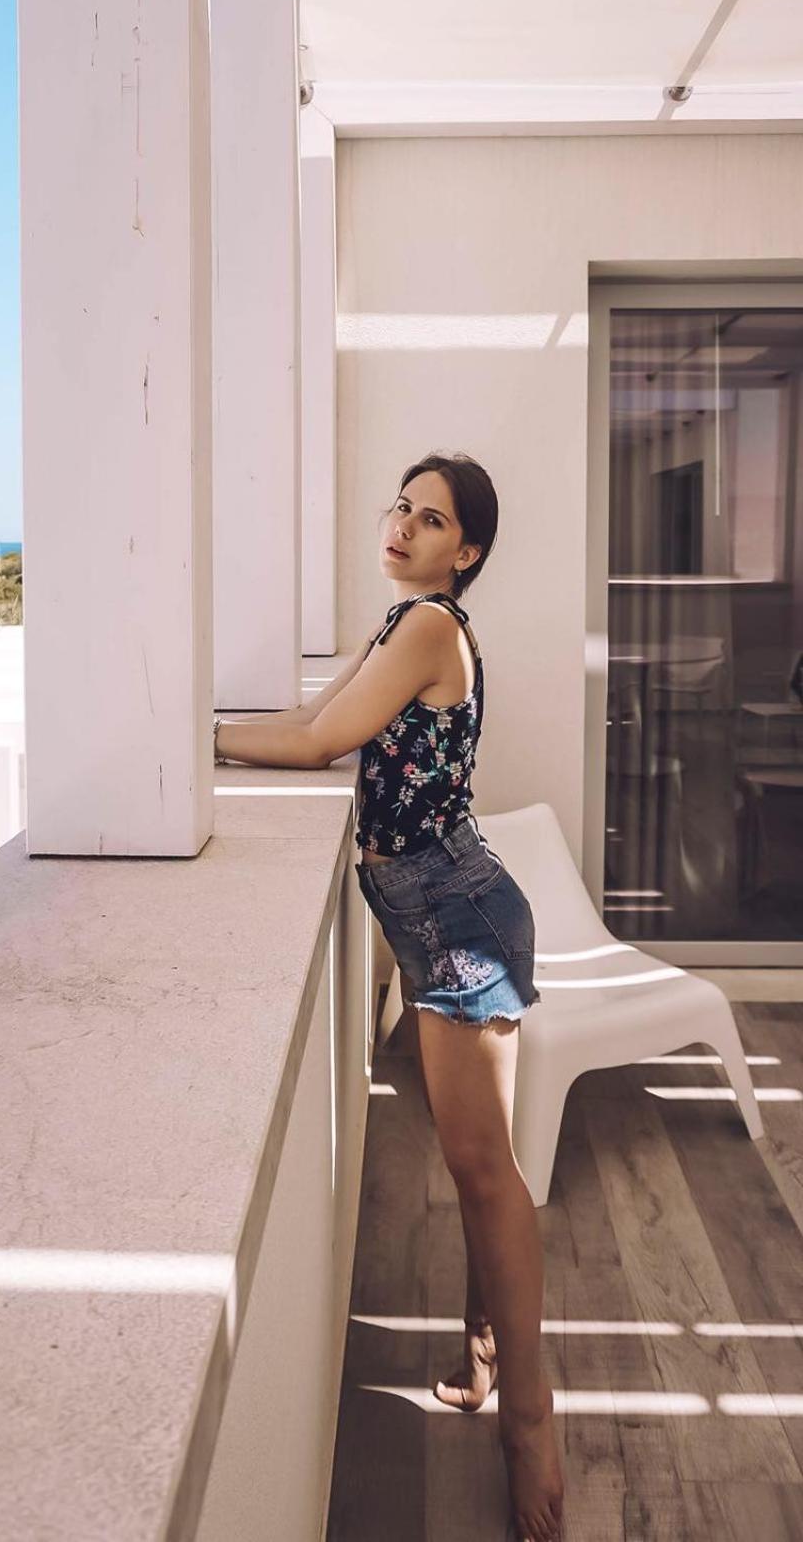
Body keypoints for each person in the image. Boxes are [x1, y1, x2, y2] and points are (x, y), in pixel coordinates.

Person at [212, 452, 564, 1542]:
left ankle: (532, 1427)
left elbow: (319, 742)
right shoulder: (400, 622)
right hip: (435, 915)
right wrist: (215, 727)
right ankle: (482, 1353)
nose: (404, 526)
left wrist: (184, 743)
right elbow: (312, 713)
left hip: (458, 922)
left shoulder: (429, 627)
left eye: (432, 519)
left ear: (467, 551)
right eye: (401, 508)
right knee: (475, 1165)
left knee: (483, 1173)